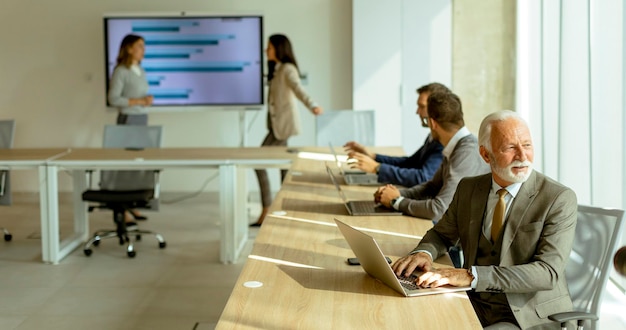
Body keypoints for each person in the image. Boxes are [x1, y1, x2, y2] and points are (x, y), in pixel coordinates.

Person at [392, 110, 577, 329]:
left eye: (527, 145)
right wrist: (423, 252)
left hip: (526, 318)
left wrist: (472, 276)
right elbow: (442, 234)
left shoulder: (558, 198)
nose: (522, 156)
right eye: (510, 147)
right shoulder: (469, 188)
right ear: (486, 154)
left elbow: (547, 273)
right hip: (473, 303)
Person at [373, 91, 490, 223]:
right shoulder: (455, 147)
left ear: (432, 123)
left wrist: (396, 201)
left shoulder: (466, 153)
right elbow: (431, 188)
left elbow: (439, 210)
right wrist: (396, 194)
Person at [251, 34, 323, 226]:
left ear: (279, 49)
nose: (267, 50)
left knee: (259, 162)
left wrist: (313, 105)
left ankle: (270, 209)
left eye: (270, 47)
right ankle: (282, 209)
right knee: (283, 165)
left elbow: (299, 89)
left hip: (283, 126)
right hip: (277, 126)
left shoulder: (287, 69)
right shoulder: (276, 69)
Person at [344, 82, 448, 187]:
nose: (417, 112)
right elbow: (409, 163)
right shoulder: (432, 137)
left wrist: (377, 168)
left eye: (422, 107)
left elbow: (423, 178)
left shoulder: (442, 142)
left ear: (436, 109)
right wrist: (373, 156)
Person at [107, 34, 153, 221]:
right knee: (125, 165)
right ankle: (121, 209)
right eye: (140, 46)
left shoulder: (140, 70)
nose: (143, 50)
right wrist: (138, 101)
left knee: (137, 163)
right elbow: (113, 98)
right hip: (128, 120)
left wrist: (146, 101)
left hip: (141, 119)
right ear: (129, 48)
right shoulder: (121, 71)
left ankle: (133, 204)